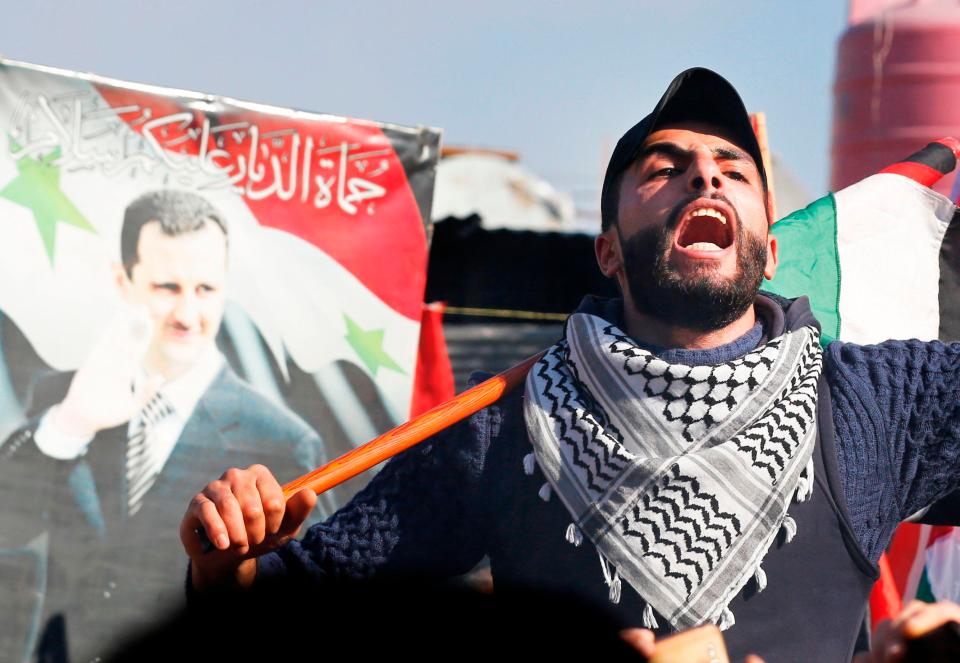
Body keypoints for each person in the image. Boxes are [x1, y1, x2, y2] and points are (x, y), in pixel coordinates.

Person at [180, 68, 960, 661]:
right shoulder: (504, 422)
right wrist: (228, 565)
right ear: (609, 251)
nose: (706, 173)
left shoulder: (873, 401)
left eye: (733, 165)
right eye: (663, 166)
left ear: (772, 251)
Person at [0, 190, 327, 662]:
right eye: (167, 288)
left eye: (206, 289)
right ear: (123, 280)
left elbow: (307, 595)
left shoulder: (283, 440)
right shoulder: (63, 396)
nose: (188, 315)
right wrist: (69, 423)